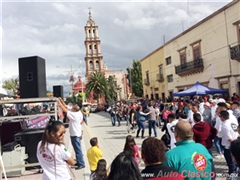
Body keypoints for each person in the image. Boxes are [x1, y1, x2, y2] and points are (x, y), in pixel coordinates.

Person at [58, 98, 85, 170]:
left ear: (75, 109)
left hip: (75, 134)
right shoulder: (77, 112)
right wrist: (61, 101)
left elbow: (65, 110)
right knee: (77, 149)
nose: (72, 107)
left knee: (78, 149)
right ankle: (79, 161)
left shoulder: (75, 115)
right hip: (76, 133)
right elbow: (66, 107)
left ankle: (81, 163)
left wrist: (59, 103)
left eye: (73, 107)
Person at [219, 110, 239, 174]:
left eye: (220, 116)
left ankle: (232, 175)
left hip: (229, 146)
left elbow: (229, 138)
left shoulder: (224, 125)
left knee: (231, 163)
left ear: (223, 117)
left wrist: (234, 144)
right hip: (237, 144)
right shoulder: (233, 123)